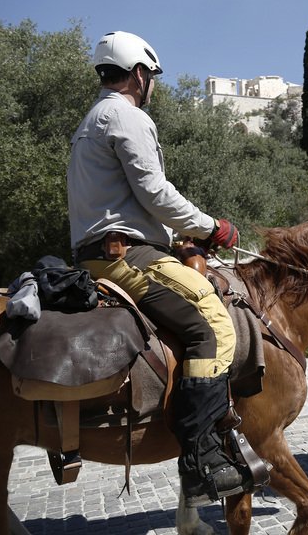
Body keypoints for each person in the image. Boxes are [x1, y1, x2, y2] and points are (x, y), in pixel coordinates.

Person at [67, 31, 258, 506]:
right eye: (151, 75)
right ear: (138, 74)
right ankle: (201, 456)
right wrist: (212, 227)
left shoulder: (91, 119)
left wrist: (175, 238)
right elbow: (155, 193)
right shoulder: (127, 116)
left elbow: (126, 202)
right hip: (127, 256)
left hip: (103, 250)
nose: (152, 83)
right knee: (213, 323)